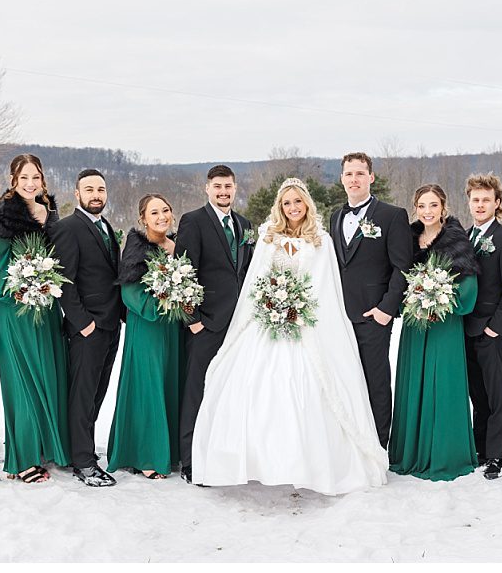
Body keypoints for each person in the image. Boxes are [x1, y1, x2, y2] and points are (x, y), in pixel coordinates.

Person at [192, 178, 388, 494]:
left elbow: (323, 285)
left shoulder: (320, 239)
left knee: (308, 389)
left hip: (306, 322)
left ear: (306, 204)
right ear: (280, 207)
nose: (293, 208)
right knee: (256, 388)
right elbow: (257, 280)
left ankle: (309, 465)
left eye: (298, 202)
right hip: (268, 321)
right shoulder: (268, 237)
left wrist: (299, 307)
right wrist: (272, 302)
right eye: (287, 203)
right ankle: (258, 462)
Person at [0, 154, 69, 483]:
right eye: (24, 178)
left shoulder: (49, 210)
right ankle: (23, 459)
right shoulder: (4, 214)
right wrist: (19, 290)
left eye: (36, 177)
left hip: (46, 309)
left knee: (49, 376)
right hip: (16, 309)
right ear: (13, 180)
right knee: (24, 382)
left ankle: (48, 447)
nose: (30, 183)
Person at [389, 184, 480, 481]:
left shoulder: (457, 241)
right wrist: (414, 300)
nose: (427, 212)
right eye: (422, 206)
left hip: (445, 325)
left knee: (443, 385)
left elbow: (468, 290)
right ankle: (411, 452)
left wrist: (439, 300)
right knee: (414, 383)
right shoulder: (408, 239)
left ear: (443, 207)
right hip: (416, 327)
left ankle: (445, 455)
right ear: (415, 208)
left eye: (433, 205)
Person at [175, 165, 255, 483]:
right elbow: (182, 275)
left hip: (238, 326)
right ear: (207, 188)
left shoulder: (244, 224)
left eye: (229, 186)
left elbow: (246, 270)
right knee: (197, 389)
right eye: (218, 186)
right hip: (206, 324)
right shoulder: (193, 221)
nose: (223, 192)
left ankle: (222, 454)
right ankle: (190, 460)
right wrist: (193, 320)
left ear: (235, 188)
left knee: (229, 392)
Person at [329, 152, 413, 448]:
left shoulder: (392, 215)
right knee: (346, 380)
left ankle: (379, 444)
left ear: (371, 177)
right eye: (349, 174)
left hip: (373, 314)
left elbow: (403, 266)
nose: (354, 179)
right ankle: (352, 441)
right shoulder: (335, 217)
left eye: (360, 174)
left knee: (376, 380)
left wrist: (386, 309)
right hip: (340, 316)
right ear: (342, 178)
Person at [50, 169, 124, 487]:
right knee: (81, 396)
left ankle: (83, 450)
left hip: (110, 325)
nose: (96, 194)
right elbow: (64, 281)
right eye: (89, 189)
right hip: (88, 328)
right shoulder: (68, 228)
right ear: (76, 194)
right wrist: (84, 325)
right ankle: (83, 462)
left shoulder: (105, 227)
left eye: (101, 189)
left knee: (96, 394)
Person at [107, 195, 182, 479]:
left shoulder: (178, 245)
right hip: (148, 324)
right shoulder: (136, 248)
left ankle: (169, 450)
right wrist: (158, 307)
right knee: (147, 387)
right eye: (154, 212)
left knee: (170, 383)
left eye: (165, 210)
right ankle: (145, 455)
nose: (161, 216)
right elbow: (129, 291)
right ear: (143, 218)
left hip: (173, 327)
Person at [462, 173, 502, 480]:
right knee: (477, 394)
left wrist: (495, 328)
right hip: (464, 329)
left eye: (486, 200)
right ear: (469, 203)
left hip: (491, 330)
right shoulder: (462, 237)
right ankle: (482, 448)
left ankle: (500, 455)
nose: (480, 205)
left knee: (496, 393)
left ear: (497, 203)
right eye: (476, 200)